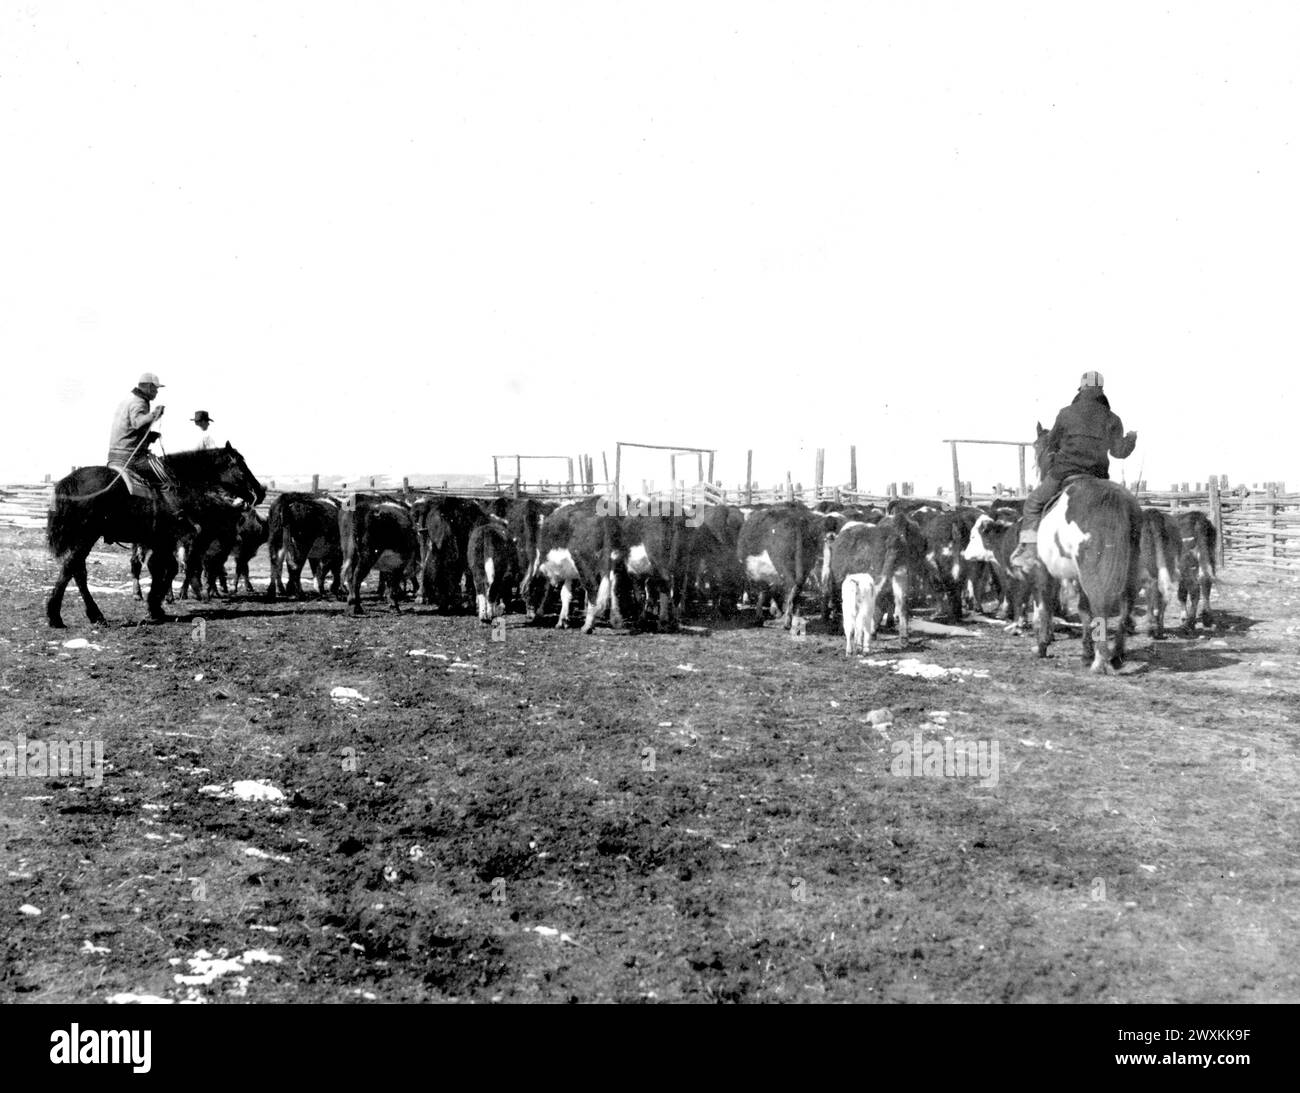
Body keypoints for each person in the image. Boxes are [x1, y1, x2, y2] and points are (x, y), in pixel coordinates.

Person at [1009, 371, 1138, 572]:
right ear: (1101, 390)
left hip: (1065, 474)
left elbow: (1051, 443)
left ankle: (1029, 553)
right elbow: (1119, 452)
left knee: (1033, 503)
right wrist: (1131, 439)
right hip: (1099, 478)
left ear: (1081, 389)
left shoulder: (1065, 413)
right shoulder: (1113, 418)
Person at [106, 372, 176, 503]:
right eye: (155, 389)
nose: (156, 392)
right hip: (131, 457)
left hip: (115, 456)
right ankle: (174, 514)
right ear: (149, 387)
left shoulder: (127, 401)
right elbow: (137, 422)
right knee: (168, 477)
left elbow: (129, 430)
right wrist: (155, 413)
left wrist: (149, 436)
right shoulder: (140, 402)